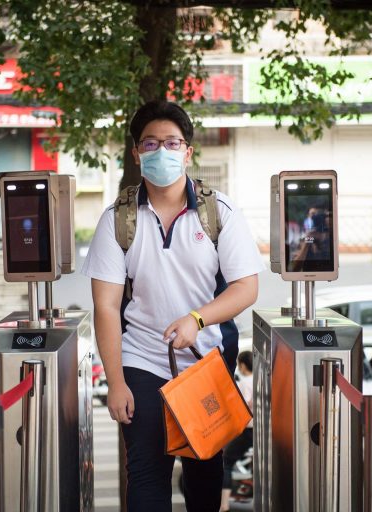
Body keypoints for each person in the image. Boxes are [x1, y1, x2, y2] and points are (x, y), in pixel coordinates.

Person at [82, 100, 263, 512]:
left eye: (171, 142)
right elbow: (106, 306)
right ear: (135, 153)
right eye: (150, 143)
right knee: (146, 474)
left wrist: (197, 319)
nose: (160, 151)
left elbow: (245, 287)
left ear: (188, 152)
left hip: (206, 361)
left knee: (203, 473)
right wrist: (116, 381)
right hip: (142, 360)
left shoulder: (219, 212)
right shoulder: (117, 220)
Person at [220, 351, 253, 512]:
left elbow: (240, 407)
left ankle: (224, 504)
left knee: (226, 462)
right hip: (261, 431)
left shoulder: (243, 383)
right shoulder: (259, 380)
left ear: (242, 365)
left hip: (246, 430)